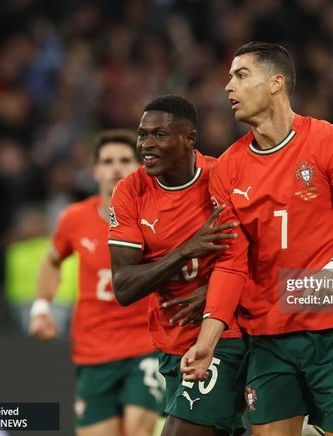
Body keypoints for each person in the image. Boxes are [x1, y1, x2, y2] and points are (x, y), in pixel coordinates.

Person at [181, 42, 333, 436]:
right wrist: (208, 338)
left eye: (241, 75)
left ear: (276, 83)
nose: (228, 86)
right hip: (268, 335)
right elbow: (231, 263)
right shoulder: (227, 170)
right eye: (229, 77)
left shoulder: (328, 140)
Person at [108, 95, 248, 436]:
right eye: (143, 135)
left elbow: (259, 256)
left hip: (226, 336)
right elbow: (124, 286)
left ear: (189, 139)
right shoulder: (129, 192)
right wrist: (185, 250)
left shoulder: (222, 178)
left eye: (159, 135)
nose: (146, 145)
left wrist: (216, 293)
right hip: (171, 340)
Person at [28, 130, 164, 436]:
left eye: (125, 160)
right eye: (107, 161)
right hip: (94, 349)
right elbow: (51, 261)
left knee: (138, 430)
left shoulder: (158, 216)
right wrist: (40, 310)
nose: (116, 168)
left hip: (146, 344)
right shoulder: (74, 218)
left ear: (140, 167)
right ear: (95, 171)